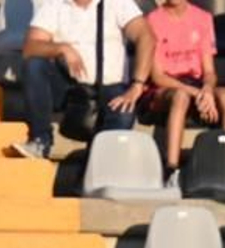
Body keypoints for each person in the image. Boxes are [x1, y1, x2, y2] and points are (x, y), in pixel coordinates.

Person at [11, 0, 154, 161]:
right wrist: (61, 48)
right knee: (34, 65)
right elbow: (30, 47)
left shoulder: (118, 3)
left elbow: (146, 37)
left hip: (110, 85)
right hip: (69, 84)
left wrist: (138, 84)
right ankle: (40, 140)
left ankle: (95, 168)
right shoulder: (55, 5)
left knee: (123, 112)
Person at [143, 0, 225, 184]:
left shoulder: (203, 18)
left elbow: (209, 72)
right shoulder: (153, 20)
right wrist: (198, 93)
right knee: (181, 96)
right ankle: (171, 168)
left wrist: (208, 90)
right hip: (166, 86)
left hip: (195, 83)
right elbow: (157, 76)